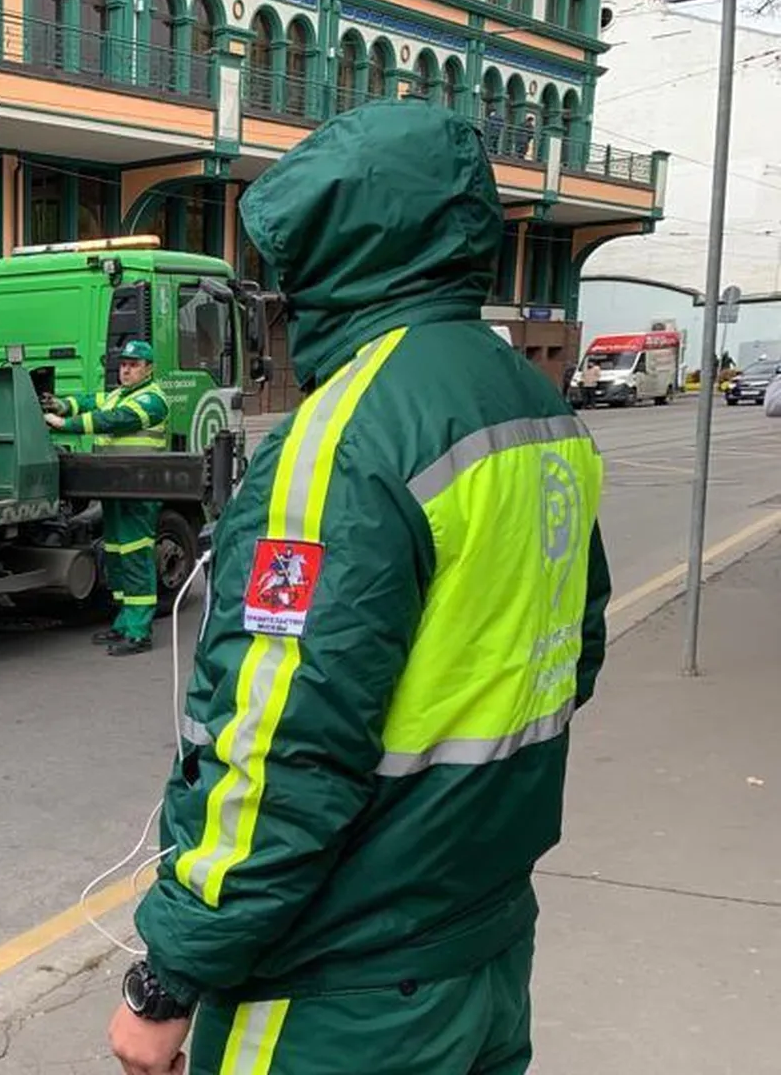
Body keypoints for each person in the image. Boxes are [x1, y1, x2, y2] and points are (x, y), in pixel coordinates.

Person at [108, 101, 610, 1075]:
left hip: (336, 991)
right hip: (480, 948)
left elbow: (280, 754)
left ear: (333, 258)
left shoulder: (344, 441)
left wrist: (168, 976)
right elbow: (571, 658)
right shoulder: (535, 410)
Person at [42, 339, 171, 656]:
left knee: (136, 556)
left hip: (139, 490)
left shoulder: (153, 400)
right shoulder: (118, 395)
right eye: (124, 364)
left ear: (148, 368)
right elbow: (92, 401)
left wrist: (65, 424)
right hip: (117, 488)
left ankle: (139, 632)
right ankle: (124, 623)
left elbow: (113, 420)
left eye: (134, 365)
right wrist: (63, 404)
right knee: (116, 554)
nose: (126, 370)